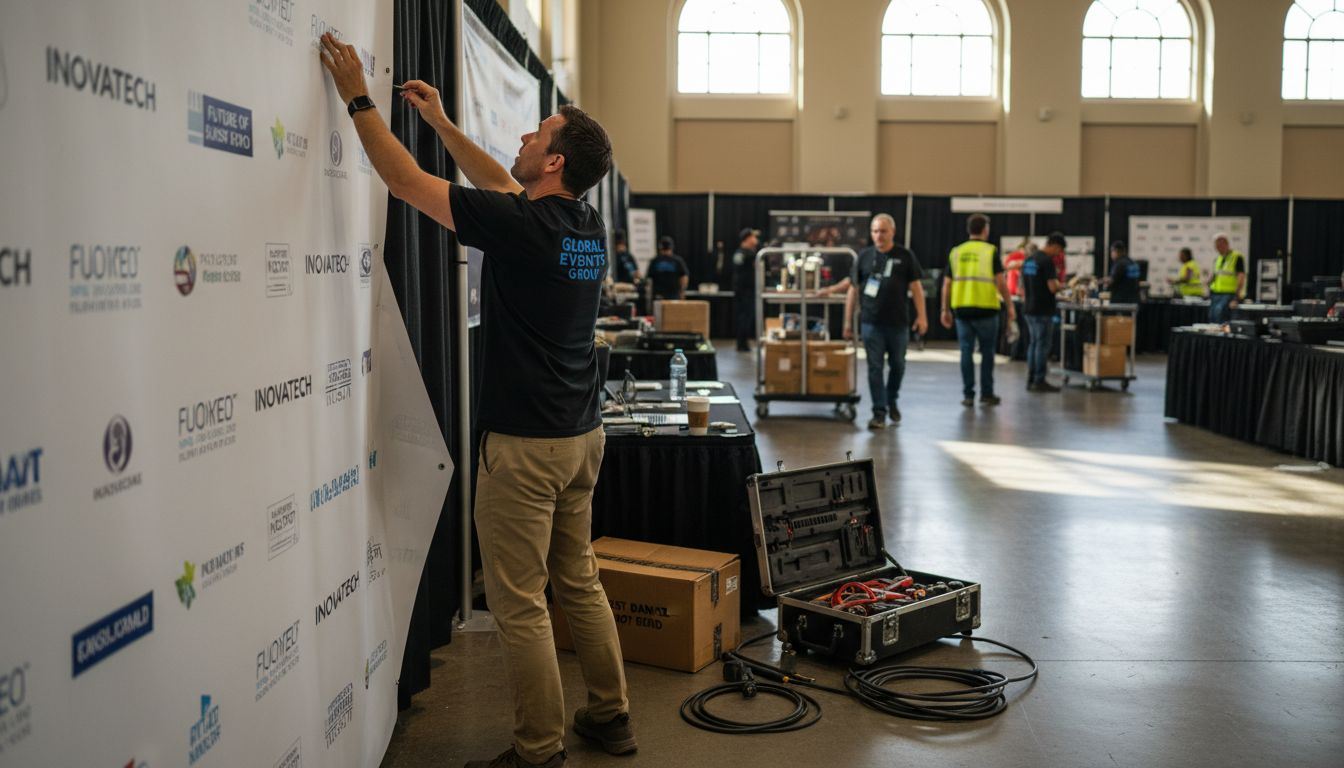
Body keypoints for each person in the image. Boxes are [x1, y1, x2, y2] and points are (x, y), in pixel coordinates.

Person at [318, 35, 632, 768]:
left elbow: (403, 184)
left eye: (538, 135)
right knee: (576, 577)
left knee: (520, 603)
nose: (524, 136)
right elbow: (500, 182)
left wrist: (359, 97)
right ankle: (611, 716)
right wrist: (442, 124)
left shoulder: (525, 227)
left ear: (555, 163)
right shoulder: (581, 223)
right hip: (581, 435)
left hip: (524, 447)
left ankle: (537, 749)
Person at [844, 214, 928, 428]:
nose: (878, 235)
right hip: (871, 323)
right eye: (874, 231)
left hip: (898, 323)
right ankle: (879, 412)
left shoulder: (905, 255)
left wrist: (922, 316)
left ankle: (891, 399)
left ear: (892, 232)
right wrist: (847, 322)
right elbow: (853, 291)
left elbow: (916, 288)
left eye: (883, 231)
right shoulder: (864, 256)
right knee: (874, 367)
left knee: (898, 365)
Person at [941, 213, 1013, 407]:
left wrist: (944, 310)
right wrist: (1010, 305)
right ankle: (987, 394)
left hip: (962, 310)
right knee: (988, 353)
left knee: (966, 351)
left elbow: (946, 285)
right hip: (986, 309)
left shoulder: (956, 252)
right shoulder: (990, 252)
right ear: (985, 230)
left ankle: (968, 395)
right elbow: (1000, 282)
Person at [1023, 233, 1065, 392]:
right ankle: (1039, 380)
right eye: (1059, 250)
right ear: (1054, 245)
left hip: (1029, 308)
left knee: (1033, 344)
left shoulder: (1029, 259)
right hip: (1042, 309)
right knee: (1042, 345)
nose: (1058, 253)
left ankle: (1031, 378)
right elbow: (1052, 287)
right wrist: (1062, 285)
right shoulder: (1047, 262)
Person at [731, 227, 761, 351]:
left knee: (743, 316)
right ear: (748, 238)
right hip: (746, 290)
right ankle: (742, 344)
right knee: (745, 316)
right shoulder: (749, 254)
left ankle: (742, 343)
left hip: (741, 289)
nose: (756, 239)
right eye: (754, 237)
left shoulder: (740, 252)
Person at [1208, 233, 1246, 324]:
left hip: (1229, 294)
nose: (1217, 248)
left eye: (1219, 245)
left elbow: (1241, 277)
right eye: (1216, 246)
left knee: (1221, 317)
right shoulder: (1218, 259)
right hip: (1216, 294)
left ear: (1225, 244)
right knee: (1212, 317)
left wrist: (1236, 297)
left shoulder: (1236, 257)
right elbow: (1216, 275)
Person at [648, 235, 688, 301]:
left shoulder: (677, 261)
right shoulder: (655, 261)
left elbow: (684, 276)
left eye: (667, 250)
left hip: (673, 295)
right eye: (664, 250)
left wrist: (682, 291)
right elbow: (650, 279)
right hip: (659, 295)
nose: (665, 252)